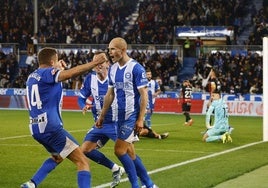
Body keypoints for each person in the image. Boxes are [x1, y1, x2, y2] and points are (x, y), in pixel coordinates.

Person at [21, 47, 106, 188]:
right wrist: (94, 63)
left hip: (36, 129)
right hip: (51, 127)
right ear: (52, 61)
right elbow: (69, 74)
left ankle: (31, 184)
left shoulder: (32, 76)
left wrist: (57, 68)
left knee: (57, 157)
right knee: (83, 162)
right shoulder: (48, 73)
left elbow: (49, 85)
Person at [95, 37, 158, 188]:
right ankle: (149, 184)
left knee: (119, 150)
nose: (110, 52)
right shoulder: (113, 69)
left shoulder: (136, 68)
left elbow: (144, 95)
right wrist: (102, 116)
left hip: (131, 115)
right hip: (118, 116)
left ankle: (135, 185)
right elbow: (110, 94)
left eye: (113, 49)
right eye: (109, 49)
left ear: (122, 50)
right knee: (130, 153)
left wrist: (140, 119)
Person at [77, 51, 125, 188]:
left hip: (117, 123)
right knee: (85, 150)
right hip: (99, 124)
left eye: (100, 62)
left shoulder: (115, 77)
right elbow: (81, 98)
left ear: (107, 64)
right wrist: (84, 105)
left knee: (127, 152)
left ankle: (144, 182)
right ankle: (116, 168)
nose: (98, 65)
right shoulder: (90, 79)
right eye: (95, 62)